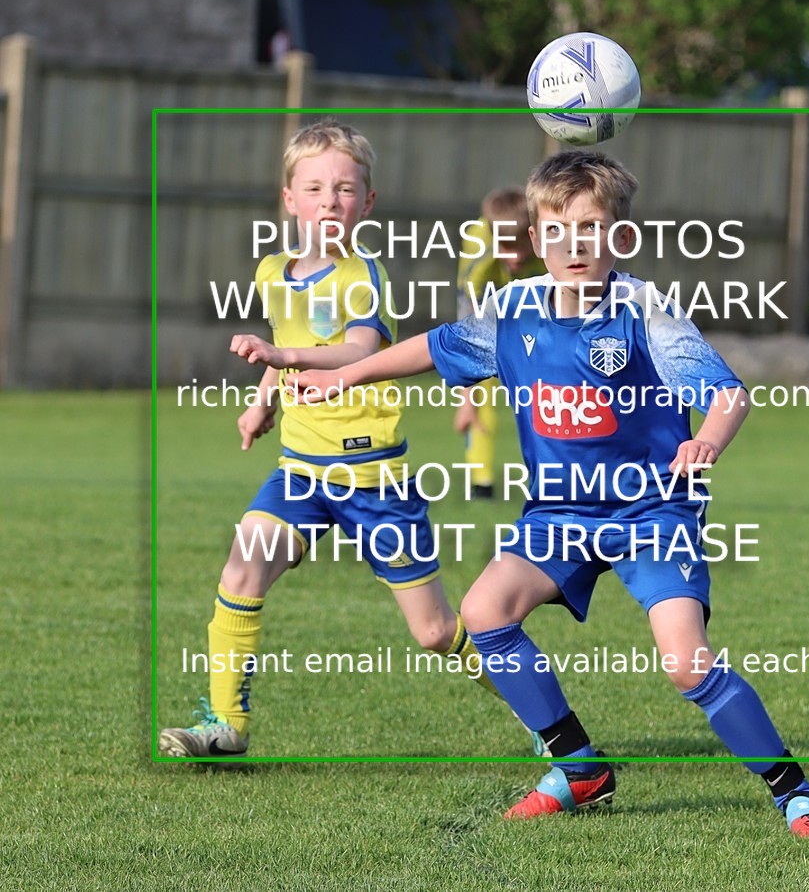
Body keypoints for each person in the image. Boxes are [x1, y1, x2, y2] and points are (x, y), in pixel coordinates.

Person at [288, 149, 809, 836]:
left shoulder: (647, 312)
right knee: (484, 613)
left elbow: (728, 394)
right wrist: (346, 377)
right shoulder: (512, 310)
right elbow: (434, 345)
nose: (573, 245)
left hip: (650, 510)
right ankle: (581, 768)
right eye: (557, 231)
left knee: (685, 661)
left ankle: (795, 790)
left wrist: (708, 441)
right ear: (534, 239)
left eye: (591, 229)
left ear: (621, 238)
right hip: (558, 514)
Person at [158, 119, 537, 757]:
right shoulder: (272, 271)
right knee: (241, 570)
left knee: (437, 630)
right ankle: (228, 726)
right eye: (315, 188)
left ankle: (542, 714)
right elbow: (285, 354)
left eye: (344, 189)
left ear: (368, 203)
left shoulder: (365, 275)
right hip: (301, 470)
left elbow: (358, 348)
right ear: (290, 200)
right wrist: (263, 404)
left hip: (373, 480)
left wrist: (283, 352)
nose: (330, 201)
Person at [454, 187, 544, 498]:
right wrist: (467, 400)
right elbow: (470, 329)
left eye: (522, 247)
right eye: (506, 247)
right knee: (482, 387)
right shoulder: (479, 259)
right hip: (491, 308)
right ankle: (481, 481)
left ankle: (555, 471)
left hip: (540, 305)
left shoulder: (552, 250)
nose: (516, 257)